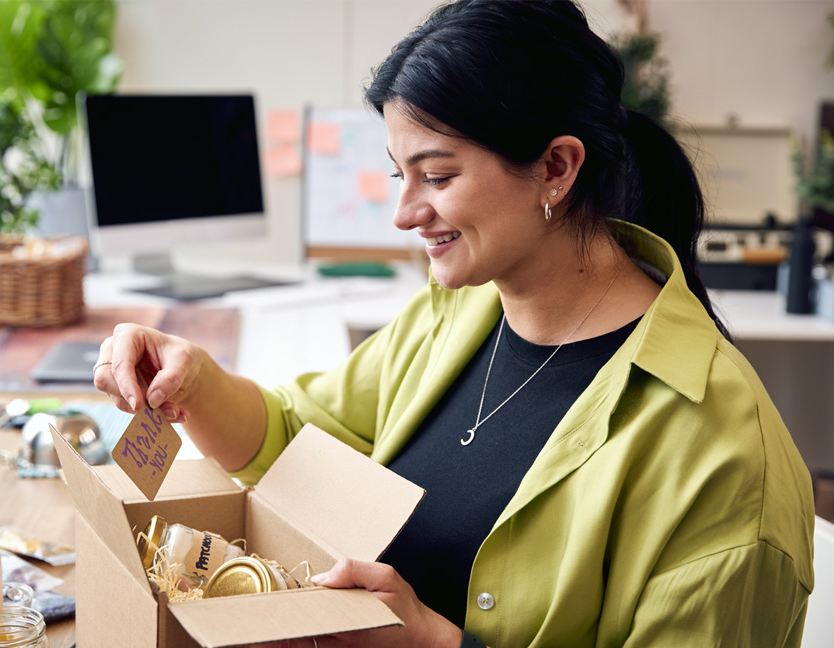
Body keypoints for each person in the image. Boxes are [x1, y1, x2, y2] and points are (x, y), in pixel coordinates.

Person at [93, 1, 815, 645]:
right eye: (398, 174)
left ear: (557, 168)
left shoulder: (723, 456)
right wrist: (191, 379)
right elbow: (295, 444)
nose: (405, 213)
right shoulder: (461, 311)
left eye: (436, 177)